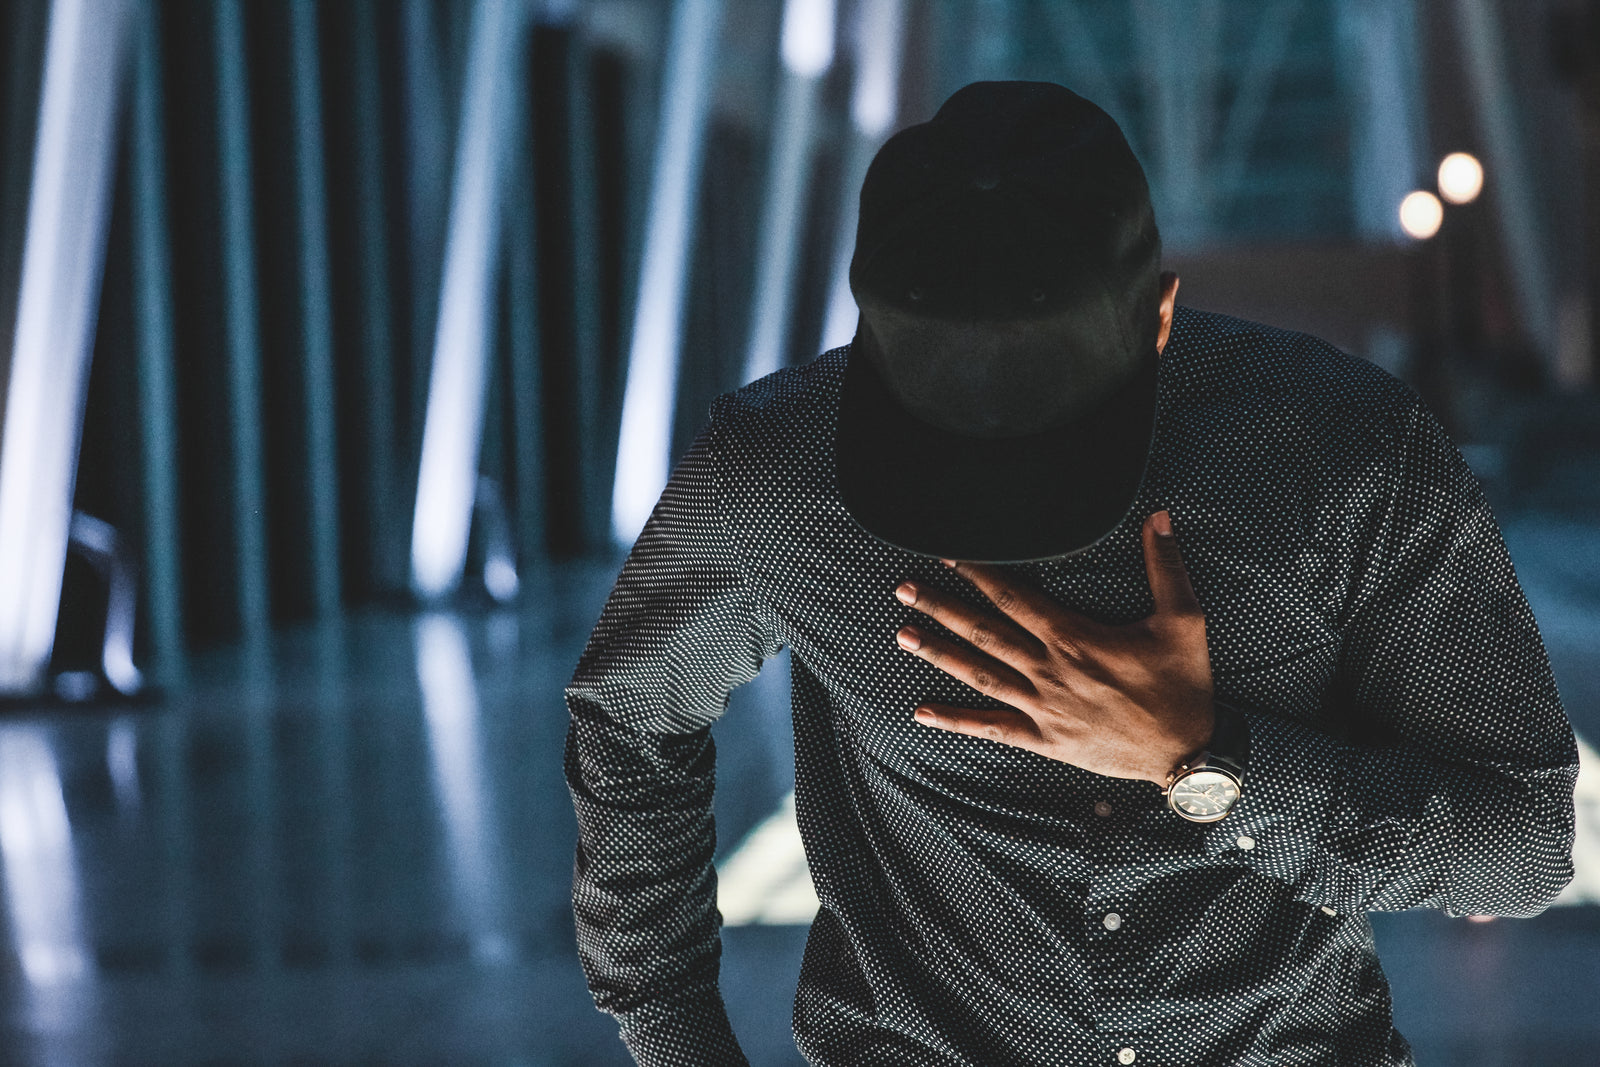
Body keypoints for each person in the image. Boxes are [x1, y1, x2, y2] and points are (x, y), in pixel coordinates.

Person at [563, 81, 1578, 1066]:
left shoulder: (1344, 456)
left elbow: (1522, 844)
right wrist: (674, 1032)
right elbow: (629, 713)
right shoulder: (778, 471)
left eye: (1045, 429)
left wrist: (1203, 757)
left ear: (1161, 314)